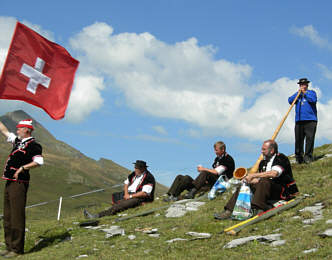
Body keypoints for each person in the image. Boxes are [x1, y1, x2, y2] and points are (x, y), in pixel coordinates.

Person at [214, 140, 299, 220]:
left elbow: (274, 174)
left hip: (283, 190)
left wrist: (253, 175)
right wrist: (248, 180)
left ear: (272, 150)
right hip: (267, 188)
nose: (261, 151)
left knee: (265, 181)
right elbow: (259, 180)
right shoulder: (263, 162)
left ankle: (258, 208)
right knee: (245, 184)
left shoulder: (281, 158)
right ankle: (229, 210)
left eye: (264, 149)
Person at [0, 119, 43, 257]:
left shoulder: (34, 145)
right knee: (7, 215)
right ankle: (9, 246)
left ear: (27, 130)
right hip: (9, 181)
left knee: (17, 215)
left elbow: (38, 161)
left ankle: (17, 249)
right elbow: (4, 131)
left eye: (19, 128)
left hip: (19, 183)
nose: (17, 130)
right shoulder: (18, 142)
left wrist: (23, 168)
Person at [163, 141, 235, 202]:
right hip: (209, 182)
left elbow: (216, 172)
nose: (215, 152)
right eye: (215, 150)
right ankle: (172, 195)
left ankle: (192, 193)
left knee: (205, 172)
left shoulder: (228, 159)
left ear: (223, 150)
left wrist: (203, 169)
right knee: (182, 177)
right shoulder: (217, 159)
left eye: (216, 150)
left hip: (220, 183)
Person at [84, 160, 155, 219]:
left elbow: (144, 193)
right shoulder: (134, 174)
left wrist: (130, 196)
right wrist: (126, 194)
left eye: (137, 168)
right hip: (130, 194)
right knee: (116, 197)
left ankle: (96, 216)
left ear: (143, 169)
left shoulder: (148, 177)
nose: (135, 169)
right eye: (135, 167)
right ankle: (109, 210)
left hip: (140, 198)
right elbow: (126, 183)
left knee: (121, 205)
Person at [288, 78, 317, 164]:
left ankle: (308, 157)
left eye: (304, 84)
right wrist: (298, 93)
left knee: (309, 139)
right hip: (299, 120)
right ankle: (299, 158)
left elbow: (313, 100)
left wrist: (304, 93)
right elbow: (290, 100)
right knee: (298, 140)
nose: (302, 86)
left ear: (307, 85)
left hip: (310, 120)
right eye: (301, 84)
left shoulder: (311, 92)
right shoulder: (297, 95)